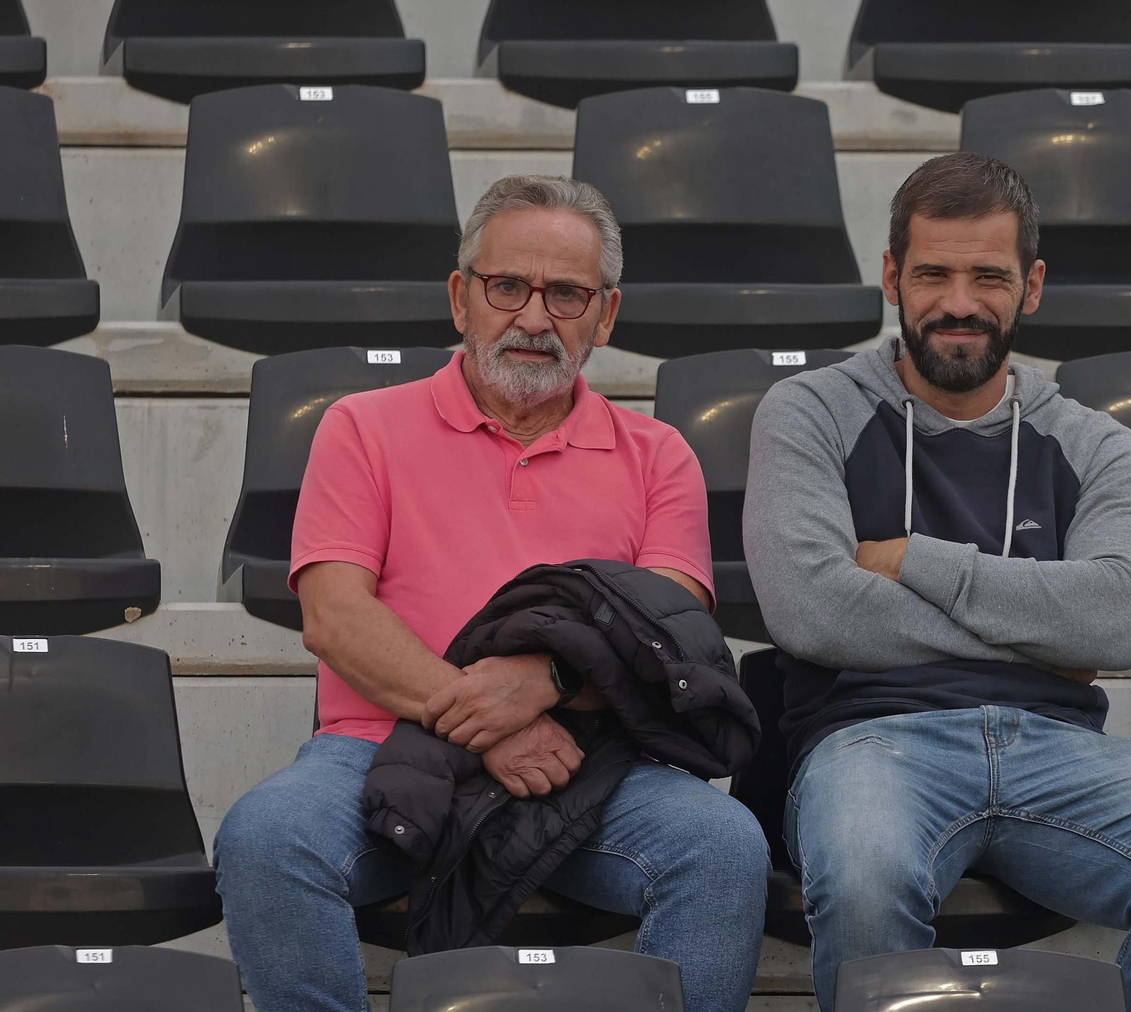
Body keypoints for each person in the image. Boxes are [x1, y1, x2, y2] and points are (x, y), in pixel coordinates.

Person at [215, 175, 769, 1012]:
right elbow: (334, 616)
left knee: (724, 846)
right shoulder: (361, 427)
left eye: (568, 294)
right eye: (507, 286)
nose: (535, 318)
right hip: (374, 751)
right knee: (264, 839)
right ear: (460, 298)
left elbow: (667, 636)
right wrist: (484, 721)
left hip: (589, 764)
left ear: (607, 317)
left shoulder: (660, 456)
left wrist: (545, 684)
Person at [742, 152, 1131, 1012]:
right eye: (933, 274)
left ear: (1031, 286)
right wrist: (1040, 636)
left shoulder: (1098, 444)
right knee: (869, 874)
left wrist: (914, 557)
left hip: (1057, 745)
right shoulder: (812, 412)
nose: (959, 302)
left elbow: (1117, 624)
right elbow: (814, 610)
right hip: (872, 739)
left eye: (988, 275)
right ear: (891, 278)